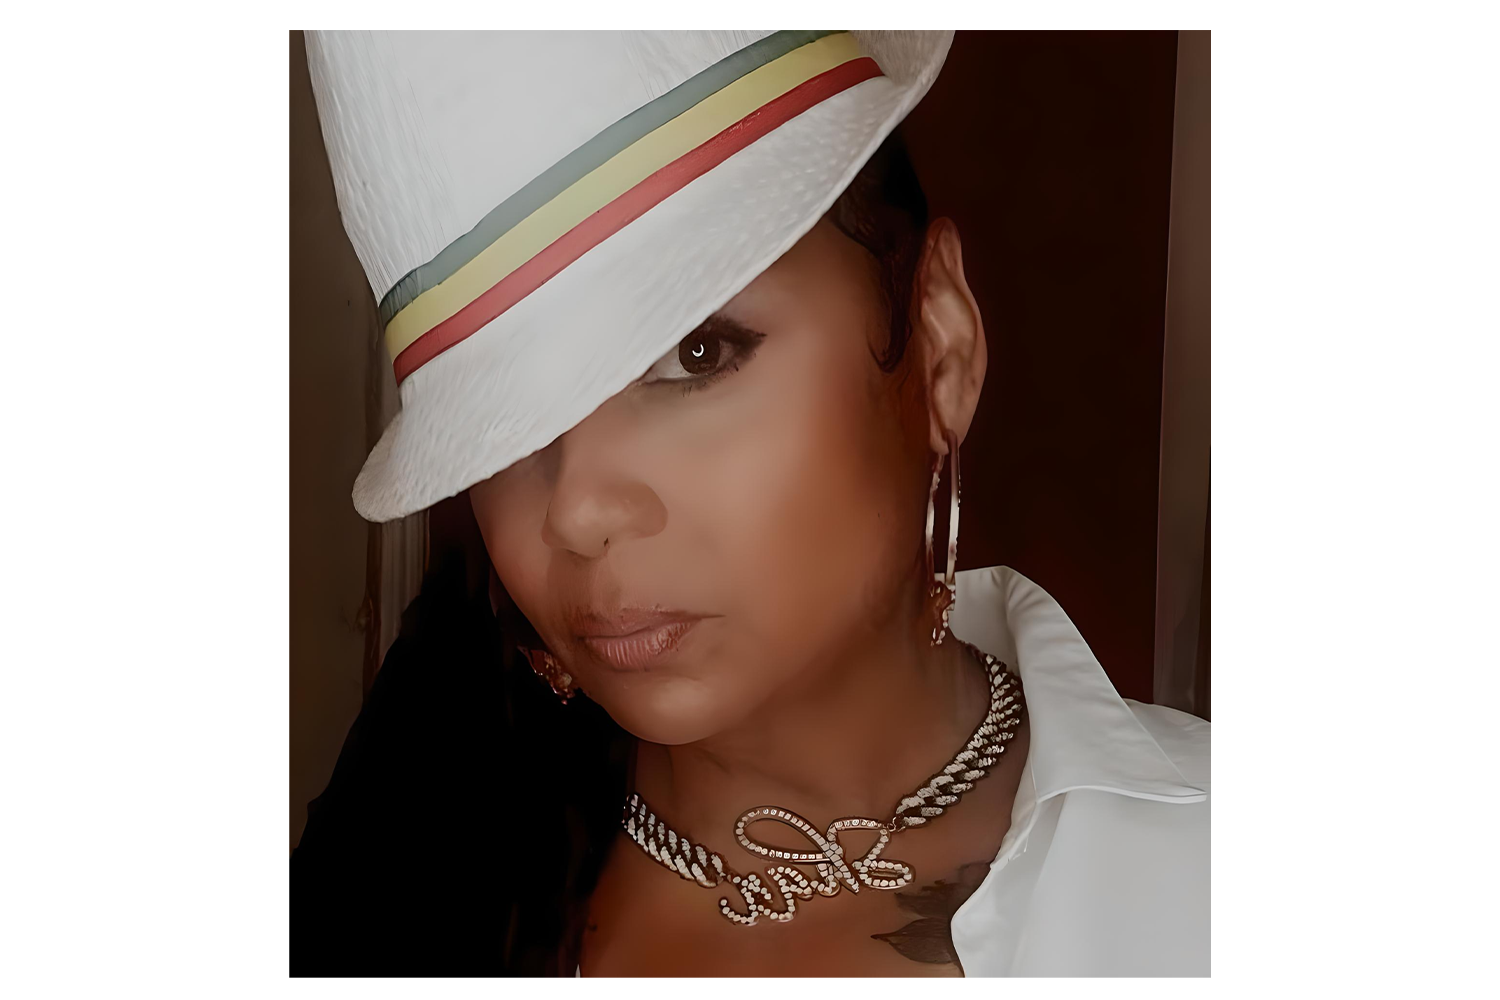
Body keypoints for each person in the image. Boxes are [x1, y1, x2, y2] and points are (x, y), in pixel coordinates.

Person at [292, 30, 1209, 977]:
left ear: (940, 345)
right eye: (504, 425)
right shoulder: (395, 896)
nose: (576, 511)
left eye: (694, 354)